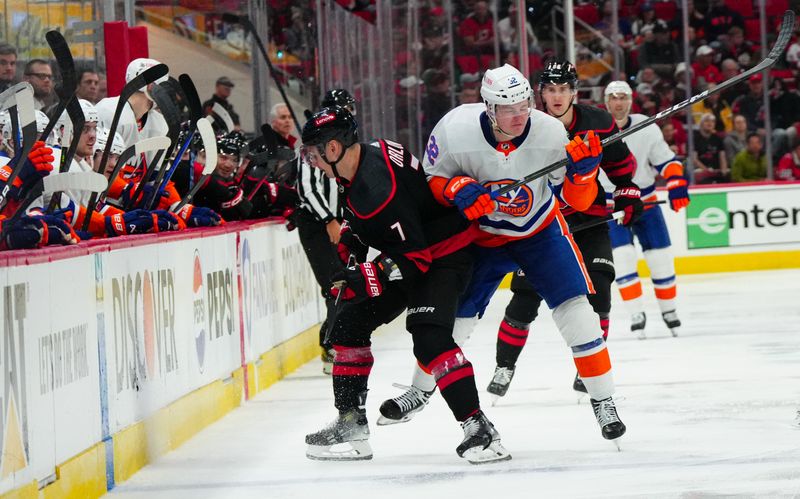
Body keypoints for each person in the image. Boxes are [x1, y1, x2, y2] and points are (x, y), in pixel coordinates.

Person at [379, 63, 628, 445]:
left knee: (580, 313)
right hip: (480, 238)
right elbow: (430, 182)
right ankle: (420, 390)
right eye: (508, 108)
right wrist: (456, 188)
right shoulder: (454, 129)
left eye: (524, 104)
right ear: (488, 107)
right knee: (453, 322)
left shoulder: (549, 132)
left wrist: (584, 175)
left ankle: (604, 400)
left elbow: (576, 201)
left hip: (540, 232)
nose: (519, 115)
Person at [301, 105, 510, 464]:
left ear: (333, 149)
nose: (311, 160)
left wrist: (364, 278)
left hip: (443, 255)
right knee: (348, 324)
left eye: (312, 152)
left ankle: (480, 430)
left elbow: (415, 259)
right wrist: (352, 242)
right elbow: (370, 222)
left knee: (429, 338)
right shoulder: (371, 153)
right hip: (415, 249)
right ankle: (351, 423)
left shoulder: (376, 191)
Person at [481, 61, 641, 399]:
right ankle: (504, 365)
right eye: (551, 90)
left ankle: (589, 372)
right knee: (524, 299)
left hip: (590, 219)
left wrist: (627, 192)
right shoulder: (525, 126)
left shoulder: (598, 123)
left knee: (600, 292)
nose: (557, 96)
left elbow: (620, 167)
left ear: (574, 92)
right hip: (543, 224)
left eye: (564, 89)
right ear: (540, 93)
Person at [601, 80, 689, 339]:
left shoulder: (646, 126)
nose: (618, 102)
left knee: (660, 259)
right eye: (614, 97)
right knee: (624, 258)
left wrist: (676, 182)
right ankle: (636, 312)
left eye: (623, 97)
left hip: (646, 202)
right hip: (612, 205)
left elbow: (666, 160)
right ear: (606, 101)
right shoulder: (594, 128)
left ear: (631, 100)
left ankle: (669, 310)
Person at [296, 89, 354, 374]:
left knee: (347, 283)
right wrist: (330, 218)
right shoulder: (312, 144)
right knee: (335, 285)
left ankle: (338, 341)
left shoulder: (347, 143)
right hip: (318, 225)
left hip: (341, 222)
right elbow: (307, 188)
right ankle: (333, 345)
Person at [692, 113, 728, 184]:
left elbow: (722, 157)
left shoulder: (717, 139)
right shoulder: (695, 138)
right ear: (701, 124)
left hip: (716, 170)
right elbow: (694, 159)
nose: (710, 123)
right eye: (707, 121)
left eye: (712, 121)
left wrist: (724, 171)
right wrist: (707, 171)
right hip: (700, 170)